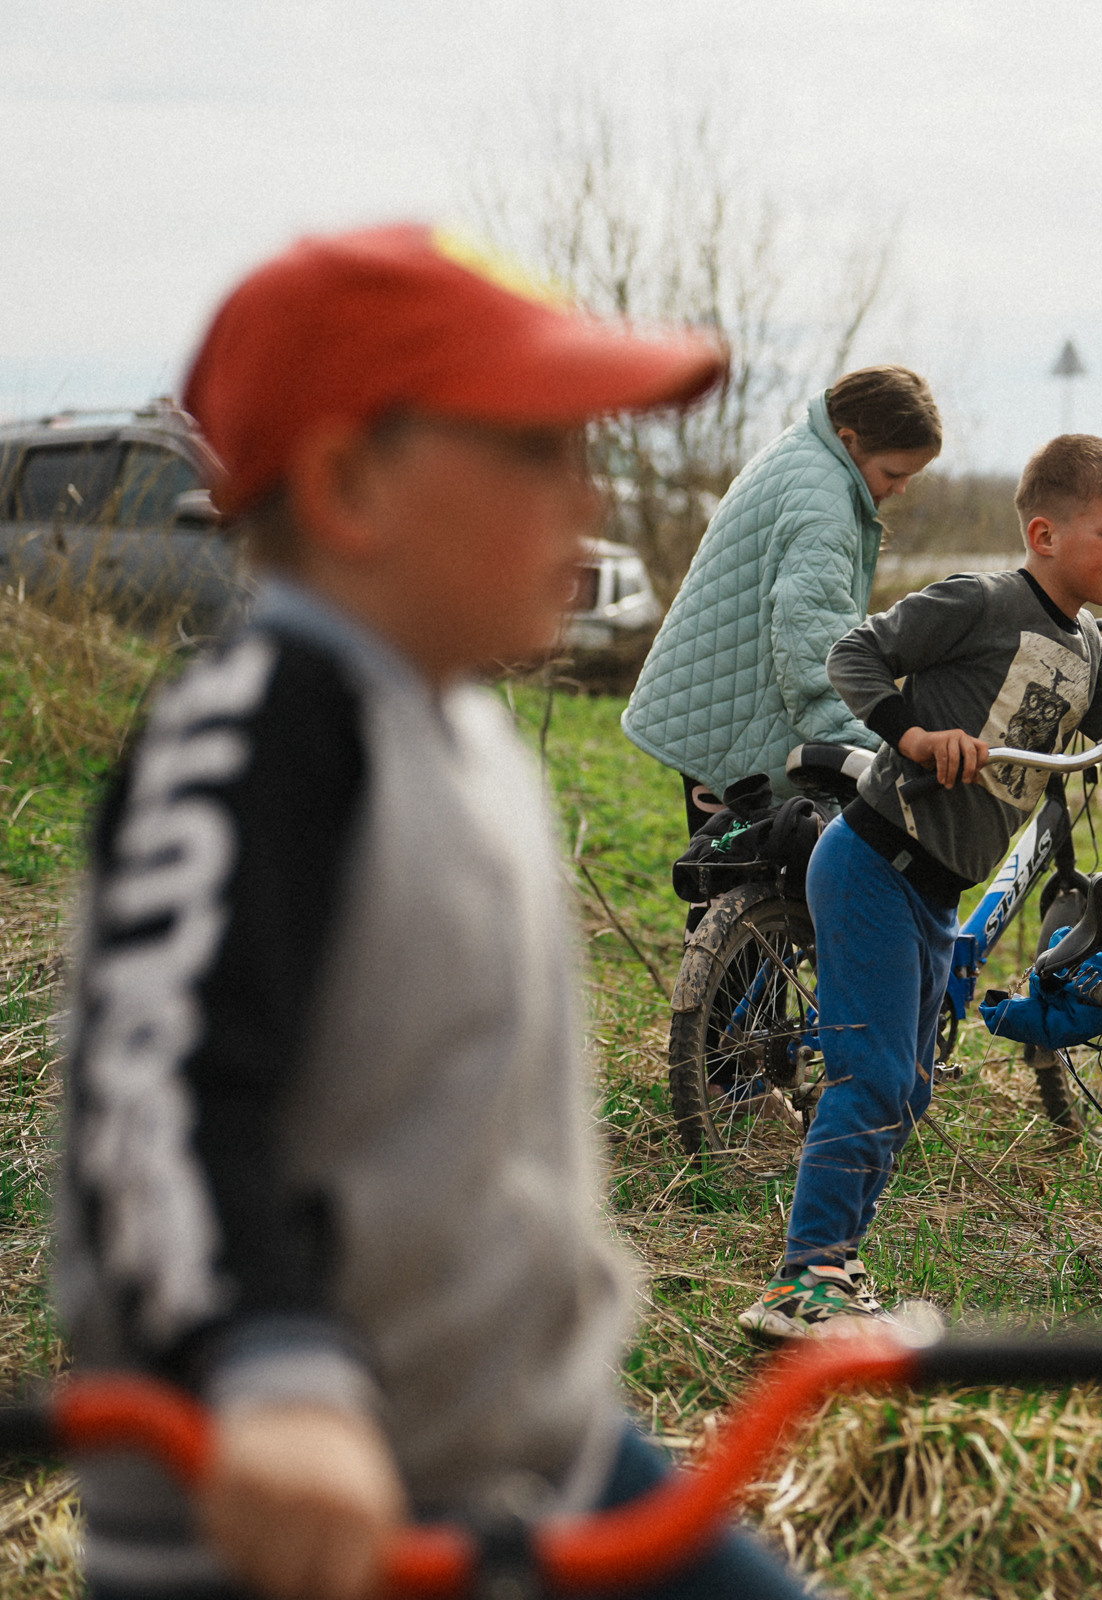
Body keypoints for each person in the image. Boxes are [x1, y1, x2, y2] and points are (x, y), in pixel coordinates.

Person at [53, 223, 818, 1600]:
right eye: (535, 452)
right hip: (301, 1515)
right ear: (350, 485)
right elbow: (159, 1097)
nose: (583, 500)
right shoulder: (253, 741)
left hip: (536, 1450)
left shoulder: (457, 729)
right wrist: (270, 1370)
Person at [737, 434, 1102, 1341]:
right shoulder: (982, 603)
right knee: (875, 1074)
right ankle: (800, 1280)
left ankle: (837, 1261)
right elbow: (855, 655)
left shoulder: (1087, 647)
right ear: (1046, 533)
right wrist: (912, 738)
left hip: (936, 894)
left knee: (911, 1085)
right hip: (873, 861)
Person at [622, 365, 943, 832]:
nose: (900, 488)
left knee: (736, 887)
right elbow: (814, 640)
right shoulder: (824, 505)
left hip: (721, 708)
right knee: (738, 891)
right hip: (727, 733)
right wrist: (862, 746)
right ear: (850, 439)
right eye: (893, 472)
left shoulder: (805, 451)